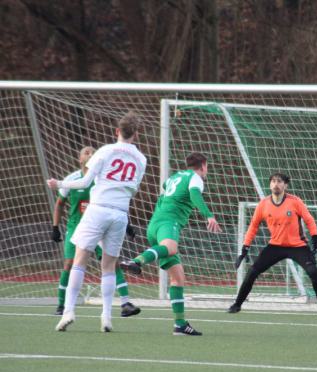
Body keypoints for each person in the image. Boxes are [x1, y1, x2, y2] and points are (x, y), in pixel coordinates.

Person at [47, 111, 147, 332]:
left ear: (117, 131)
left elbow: (84, 181)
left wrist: (59, 183)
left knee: (80, 260)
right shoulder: (141, 159)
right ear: (136, 135)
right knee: (109, 266)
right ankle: (107, 317)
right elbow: (133, 189)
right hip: (120, 214)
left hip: (98, 209)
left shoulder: (106, 150)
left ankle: (69, 311)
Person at [120, 152, 222, 336]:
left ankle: (180, 325)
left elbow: (165, 189)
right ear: (203, 165)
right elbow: (195, 194)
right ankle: (137, 261)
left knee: (178, 278)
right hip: (169, 222)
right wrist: (209, 215)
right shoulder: (195, 178)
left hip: (155, 223)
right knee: (172, 248)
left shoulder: (174, 176)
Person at [51, 146, 140, 318]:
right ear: (80, 159)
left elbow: (115, 200)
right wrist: (55, 227)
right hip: (77, 226)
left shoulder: (101, 178)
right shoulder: (72, 179)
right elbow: (60, 203)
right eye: (86, 152)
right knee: (70, 264)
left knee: (112, 262)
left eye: (93, 152)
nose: (90, 154)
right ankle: (62, 305)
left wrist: (127, 224)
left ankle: (125, 303)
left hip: (100, 225)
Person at [228, 172, 317, 316]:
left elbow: (309, 220)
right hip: (275, 246)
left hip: (297, 246)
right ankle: (237, 305)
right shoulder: (263, 204)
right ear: (270, 185)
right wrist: (244, 249)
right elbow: (253, 226)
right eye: (273, 181)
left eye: (280, 181)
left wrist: (316, 241)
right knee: (252, 272)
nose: (276, 184)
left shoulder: (295, 201)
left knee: (314, 273)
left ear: (285, 185)